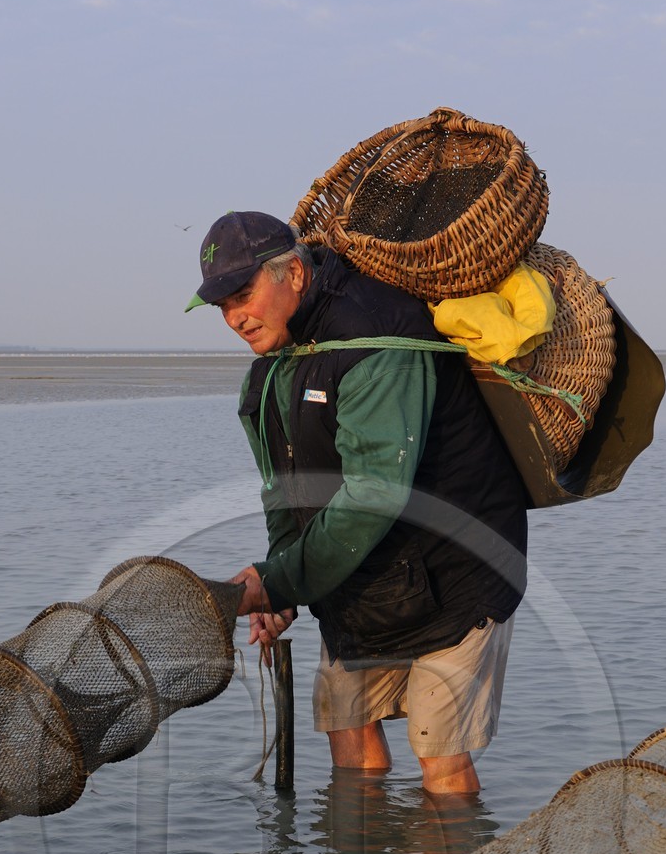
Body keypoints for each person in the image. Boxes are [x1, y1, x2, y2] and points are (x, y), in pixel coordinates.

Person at [185, 210, 529, 795]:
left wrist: (278, 581)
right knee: (349, 736)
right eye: (221, 305)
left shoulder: (376, 334)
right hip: (362, 577)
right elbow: (284, 490)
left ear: (293, 272)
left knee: (438, 756)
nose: (235, 317)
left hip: (457, 570)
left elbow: (375, 493)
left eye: (243, 295)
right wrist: (282, 587)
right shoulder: (267, 373)